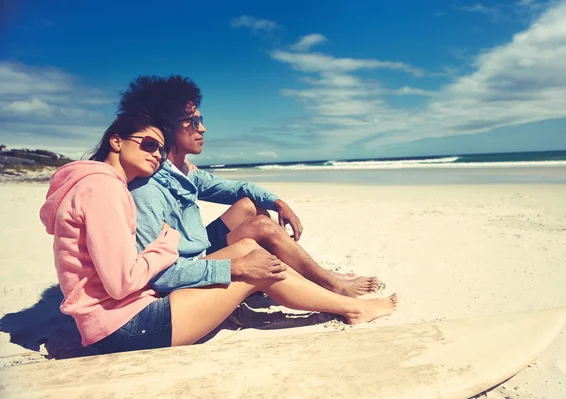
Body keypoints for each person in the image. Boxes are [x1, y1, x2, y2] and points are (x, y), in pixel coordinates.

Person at [40, 103, 398, 355]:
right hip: (124, 328)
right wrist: (167, 247)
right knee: (253, 267)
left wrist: (272, 205)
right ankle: (349, 308)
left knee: (251, 254)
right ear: (116, 141)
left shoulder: (103, 184)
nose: (155, 155)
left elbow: (230, 190)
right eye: (148, 145)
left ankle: (327, 295)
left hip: (125, 316)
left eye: (159, 149)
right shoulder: (106, 190)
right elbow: (125, 282)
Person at [124, 75, 380, 298]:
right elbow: (157, 269)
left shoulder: (188, 173)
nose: (202, 128)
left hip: (198, 248)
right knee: (263, 226)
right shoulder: (150, 181)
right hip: (188, 266)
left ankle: (296, 275)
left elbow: (239, 189)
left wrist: (278, 202)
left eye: (201, 120)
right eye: (192, 122)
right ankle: (328, 282)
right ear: (167, 128)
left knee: (249, 206)